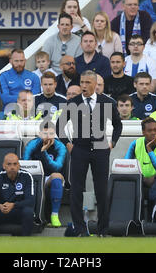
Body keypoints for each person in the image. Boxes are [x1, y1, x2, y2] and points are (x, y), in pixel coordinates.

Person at [55, 70, 123, 237]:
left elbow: (118, 125)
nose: (83, 86)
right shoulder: (74, 102)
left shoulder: (107, 102)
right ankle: (80, 230)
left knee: (102, 190)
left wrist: (112, 143)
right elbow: (59, 126)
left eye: (87, 83)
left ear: (95, 84)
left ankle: (103, 230)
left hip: (101, 150)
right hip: (79, 150)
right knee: (76, 190)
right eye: (82, 82)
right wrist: (68, 144)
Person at [23, 122, 67, 227]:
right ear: (39, 133)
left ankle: (54, 215)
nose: (48, 136)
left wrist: (44, 152)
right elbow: (24, 164)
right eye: (45, 133)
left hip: (49, 178)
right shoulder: (32, 144)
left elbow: (57, 167)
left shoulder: (60, 146)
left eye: (51, 133)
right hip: (33, 178)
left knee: (57, 176)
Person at [0, 153, 35, 236]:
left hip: (17, 211)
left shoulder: (27, 176)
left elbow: (31, 201)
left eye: (15, 164)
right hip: (1, 211)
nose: (12, 167)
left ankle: (25, 241)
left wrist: (13, 205)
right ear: (4, 166)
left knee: (28, 212)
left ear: (19, 166)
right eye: (9, 164)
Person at [124, 117, 156, 186]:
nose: (153, 133)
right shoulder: (135, 143)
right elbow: (126, 165)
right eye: (149, 131)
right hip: (139, 180)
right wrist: (141, 178)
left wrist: (149, 150)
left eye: (155, 130)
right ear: (143, 132)